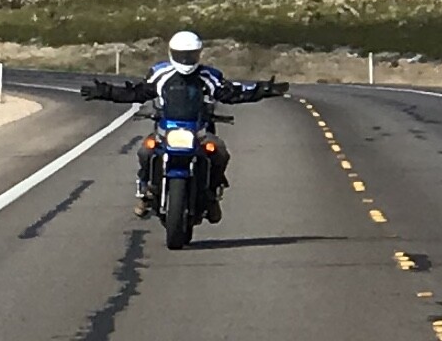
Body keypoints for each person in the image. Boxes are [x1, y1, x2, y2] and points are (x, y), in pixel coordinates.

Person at [81, 30, 288, 219]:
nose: (186, 60)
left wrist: (263, 90)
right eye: (182, 55)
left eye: (190, 55)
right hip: (166, 128)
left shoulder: (208, 76)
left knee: (220, 152)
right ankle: (146, 191)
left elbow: (232, 93)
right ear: (172, 53)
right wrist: (105, 92)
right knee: (146, 151)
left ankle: (212, 194)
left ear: (198, 54)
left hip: (198, 130)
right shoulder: (161, 74)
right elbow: (137, 92)